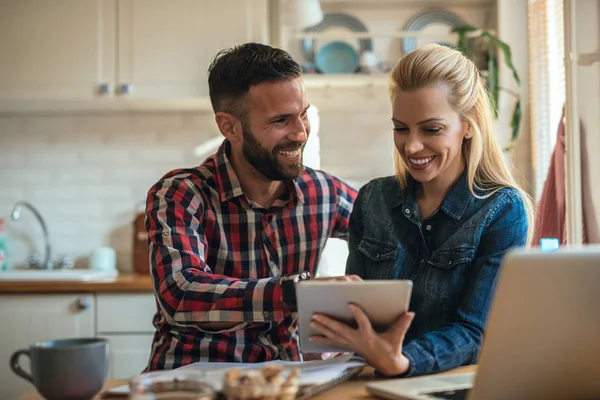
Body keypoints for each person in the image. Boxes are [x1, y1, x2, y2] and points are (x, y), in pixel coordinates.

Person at [309, 44, 535, 377]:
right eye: (401, 128)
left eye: (431, 129)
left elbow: (474, 331)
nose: (411, 146)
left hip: (452, 387)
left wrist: (403, 361)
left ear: (468, 125)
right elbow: (359, 317)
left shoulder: (502, 210)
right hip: (372, 381)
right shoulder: (372, 200)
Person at [143, 43, 358, 370]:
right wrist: (292, 293)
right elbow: (181, 292)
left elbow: (393, 234)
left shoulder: (324, 192)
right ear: (229, 127)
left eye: (303, 114)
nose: (300, 133)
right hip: (191, 383)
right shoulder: (181, 193)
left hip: (287, 383)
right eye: (280, 121)